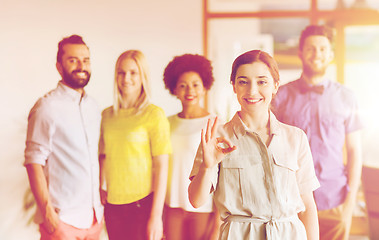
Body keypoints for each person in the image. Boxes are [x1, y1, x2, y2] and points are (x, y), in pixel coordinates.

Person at [188, 50, 320, 240]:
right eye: (243, 81)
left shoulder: (295, 137)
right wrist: (207, 167)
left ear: (275, 85)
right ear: (233, 86)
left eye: (262, 82)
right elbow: (196, 200)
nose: (252, 91)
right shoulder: (216, 138)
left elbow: (308, 205)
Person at [272, 25, 364, 240]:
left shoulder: (347, 97)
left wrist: (349, 207)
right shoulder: (280, 96)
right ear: (300, 53)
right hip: (290, 202)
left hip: (334, 200)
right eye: (311, 49)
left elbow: (354, 152)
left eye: (323, 49)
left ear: (331, 55)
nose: (317, 54)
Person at [24, 35, 104, 240]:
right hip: (63, 221)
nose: (81, 66)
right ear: (59, 67)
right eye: (73, 60)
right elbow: (34, 162)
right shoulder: (46, 107)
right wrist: (47, 211)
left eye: (86, 60)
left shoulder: (94, 107)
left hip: (94, 219)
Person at [99, 50, 171, 240]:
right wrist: (100, 185)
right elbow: (103, 155)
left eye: (133, 72)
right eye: (121, 72)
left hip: (143, 205)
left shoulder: (154, 114)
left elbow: (162, 167)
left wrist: (156, 216)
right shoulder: (107, 115)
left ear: (143, 76)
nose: (126, 78)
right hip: (113, 206)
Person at [162, 54, 220, 240]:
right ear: (174, 89)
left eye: (195, 84)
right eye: (183, 85)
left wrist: (218, 225)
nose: (190, 90)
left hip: (203, 208)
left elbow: (223, 177)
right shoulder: (165, 123)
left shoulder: (215, 123)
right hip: (171, 206)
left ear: (204, 88)